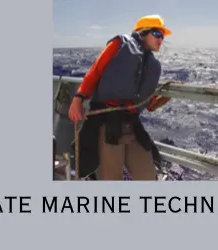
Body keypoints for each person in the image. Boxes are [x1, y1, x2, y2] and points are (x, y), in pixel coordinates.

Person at [67, 15, 175, 181]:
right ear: (143, 33)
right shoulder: (119, 44)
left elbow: (147, 105)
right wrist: (78, 99)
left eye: (163, 36)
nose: (161, 39)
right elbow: (95, 72)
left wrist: (164, 98)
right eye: (157, 33)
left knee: (147, 174)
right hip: (107, 123)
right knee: (111, 177)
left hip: (132, 123)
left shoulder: (154, 66)